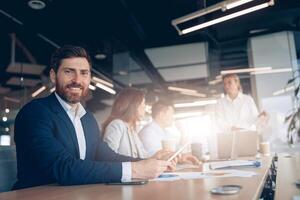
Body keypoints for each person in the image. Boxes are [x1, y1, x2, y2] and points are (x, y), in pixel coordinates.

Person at [13, 45, 172, 190]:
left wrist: (150, 162)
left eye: (84, 73)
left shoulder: (87, 118)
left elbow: (106, 156)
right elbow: (64, 168)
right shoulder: (35, 113)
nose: (77, 80)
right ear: (53, 76)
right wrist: (136, 170)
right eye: (69, 72)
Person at [139, 100, 201, 165]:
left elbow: (175, 151)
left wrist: (183, 133)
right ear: (161, 115)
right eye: (171, 114)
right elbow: (158, 158)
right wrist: (179, 158)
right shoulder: (148, 132)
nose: (173, 118)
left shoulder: (164, 132)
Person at [102, 88, 150, 158]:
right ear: (133, 105)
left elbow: (144, 156)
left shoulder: (132, 130)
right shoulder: (117, 125)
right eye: (143, 103)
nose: (144, 107)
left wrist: (158, 156)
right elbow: (108, 157)